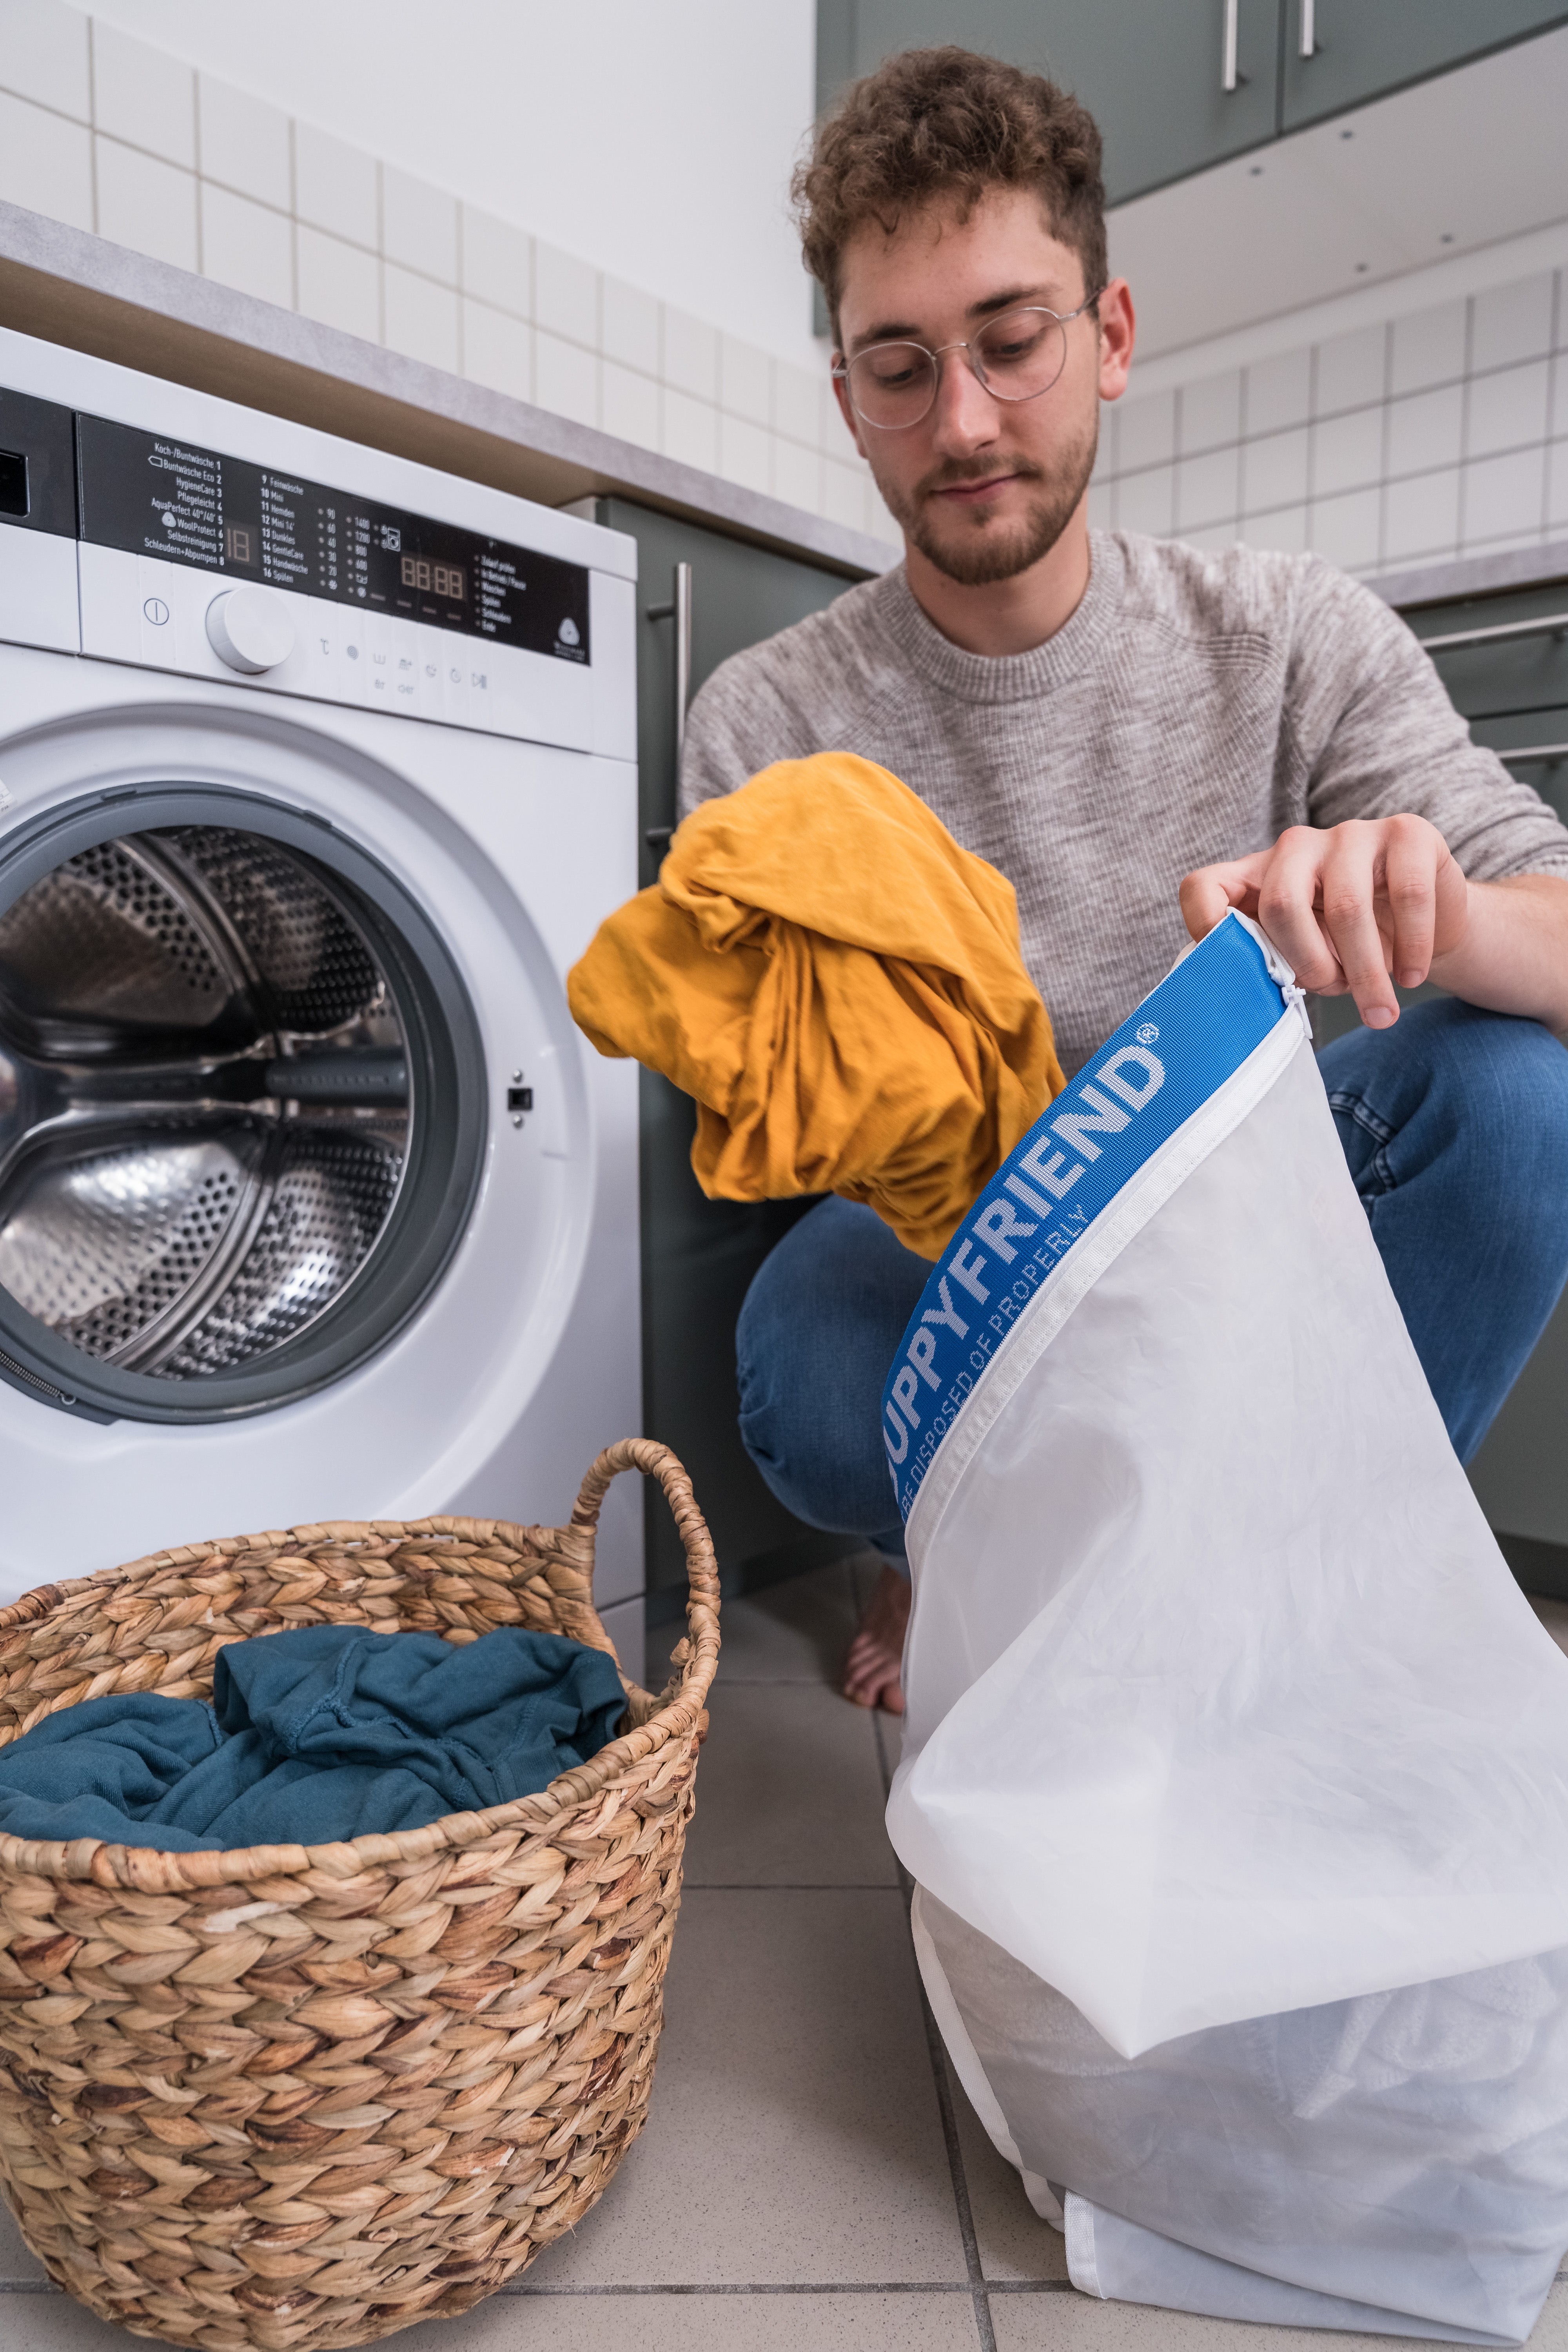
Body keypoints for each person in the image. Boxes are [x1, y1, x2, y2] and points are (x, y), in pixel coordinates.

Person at [678, 47, 1568, 1713]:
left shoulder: (1289, 629)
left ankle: (1271, 1594)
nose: (962, 422)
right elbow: (769, 1149)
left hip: (1249, 1234)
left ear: (1110, 338)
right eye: (898, 366)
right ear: (848, 394)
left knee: (1517, 1096)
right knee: (801, 1361)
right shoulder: (770, 719)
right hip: (958, 1261)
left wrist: (1427, 909)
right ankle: (1067, 1562)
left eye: (1012, 343)